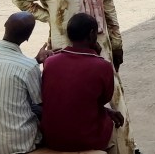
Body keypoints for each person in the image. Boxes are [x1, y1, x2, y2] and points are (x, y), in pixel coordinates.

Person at [12, 0, 134, 154]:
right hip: (63, 49)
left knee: (113, 99)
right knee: (72, 97)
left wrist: (117, 44)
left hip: (99, 46)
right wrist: (49, 16)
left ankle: (125, 148)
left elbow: (109, 12)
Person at [41, 13, 124, 152]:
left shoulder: (50, 62)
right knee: (117, 131)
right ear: (92, 34)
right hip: (85, 140)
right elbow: (103, 99)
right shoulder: (102, 66)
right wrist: (96, 55)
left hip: (51, 138)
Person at [0, 12, 51, 154]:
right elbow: (40, 102)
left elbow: (8, 72)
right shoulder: (28, 66)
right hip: (19, 144)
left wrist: (35, 61)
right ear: (28, 37)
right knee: (44, 110)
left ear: (5, 25)